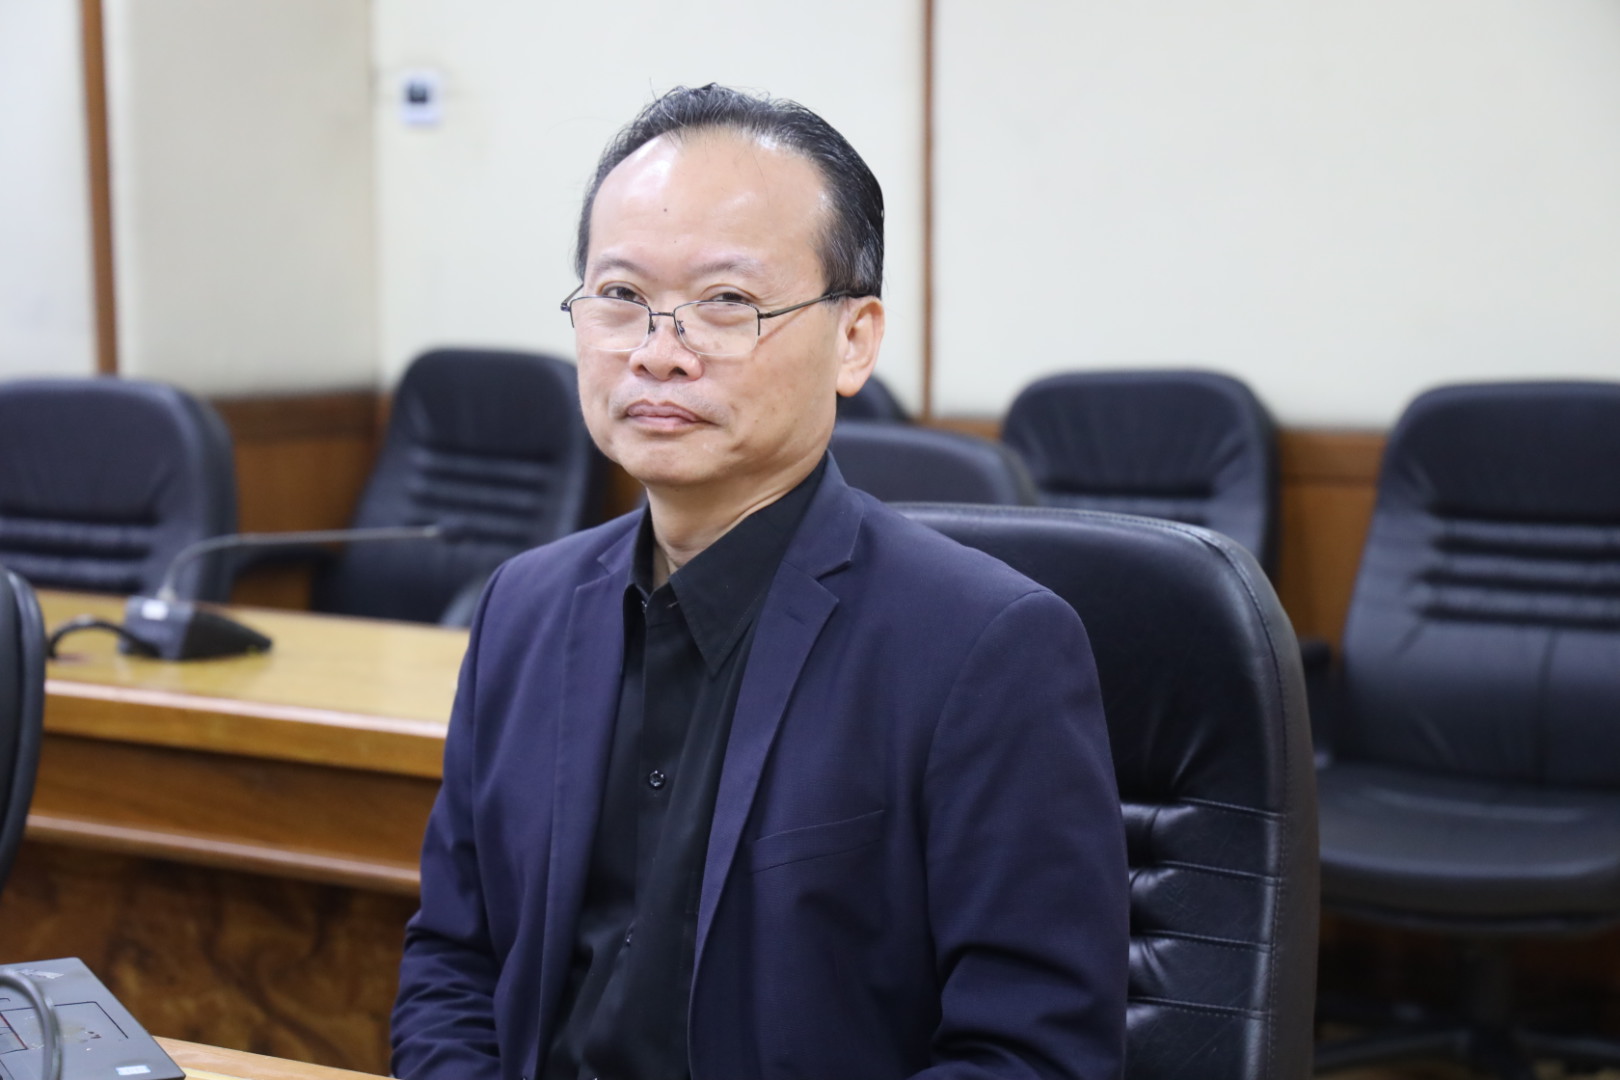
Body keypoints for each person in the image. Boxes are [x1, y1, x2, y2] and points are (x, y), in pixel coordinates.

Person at [391, 84, 1128, 1080]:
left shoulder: (986, 647)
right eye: (620, 297)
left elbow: (1030, 1056)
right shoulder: (522, 608)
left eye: (726, 303)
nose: (659, 354)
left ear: (854, 340)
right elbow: (454, 964)